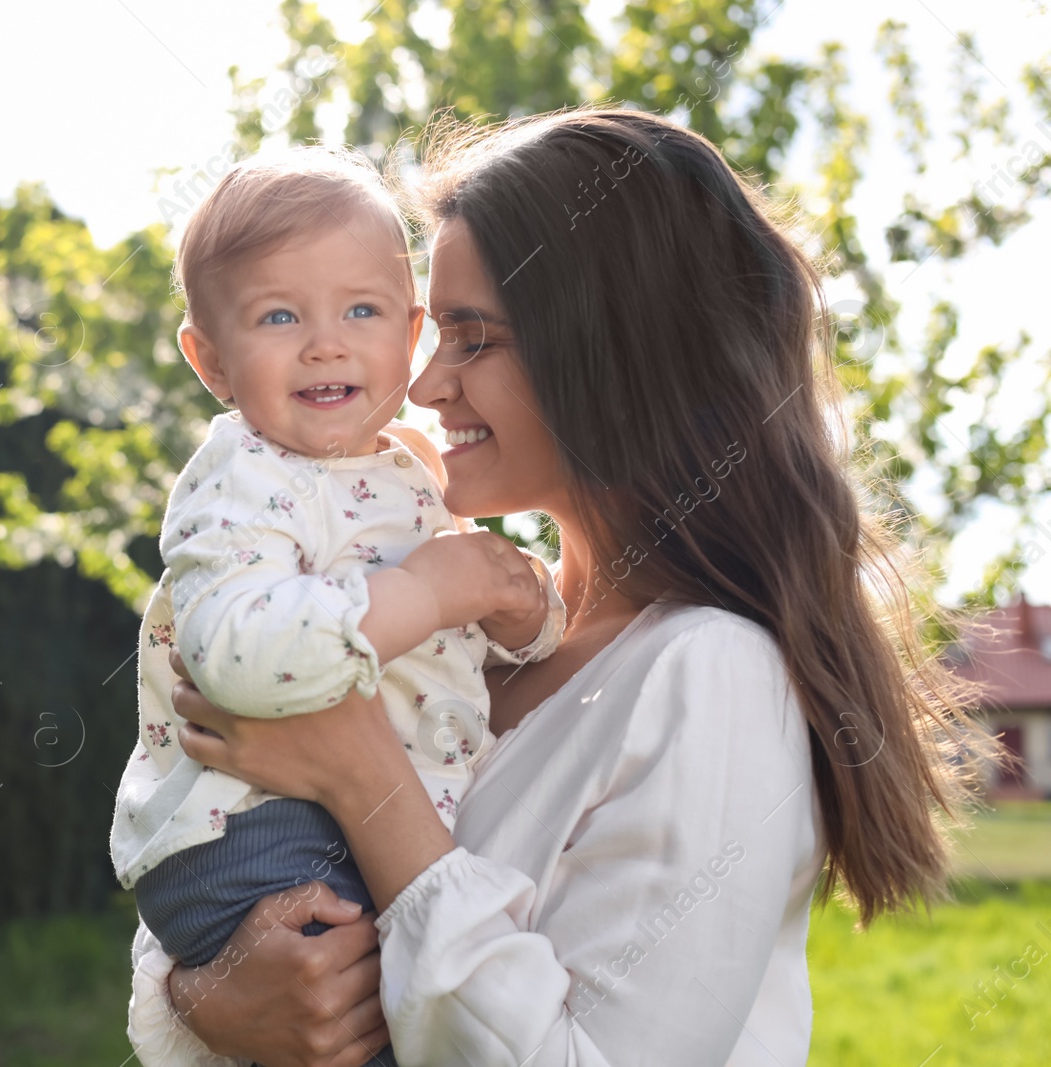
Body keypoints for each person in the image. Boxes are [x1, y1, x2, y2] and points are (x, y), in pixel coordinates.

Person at [124, 109, 992, 1067]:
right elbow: (234, 855)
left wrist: (364, 778)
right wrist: (202, 999)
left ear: (611, 359)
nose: (423, 386)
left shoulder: (711, 675)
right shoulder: (471, 625)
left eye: (471, 338)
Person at [111, 148, 569, 1067]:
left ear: (408, 338)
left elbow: (464, 634)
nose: (325, 342)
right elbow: (243, 656)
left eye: (359, 311)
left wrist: (526, 615)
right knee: (363, 1020)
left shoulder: (404, 473)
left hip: (329, 813)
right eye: (279, 315)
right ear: (209, 360)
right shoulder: (242, 478)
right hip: (253, 823)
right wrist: (432, 589)